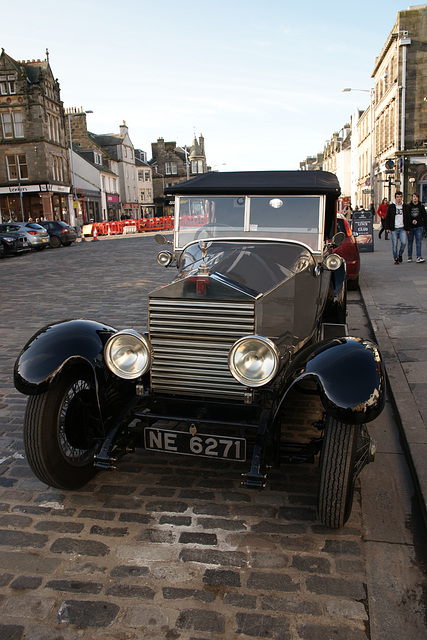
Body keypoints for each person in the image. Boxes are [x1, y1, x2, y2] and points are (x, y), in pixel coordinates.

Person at [385, 191, 409, 265]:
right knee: (394, 244)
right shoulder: (391, 206)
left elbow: (407, 218)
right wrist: (387, 228)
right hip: (394, 228)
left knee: (404, 242)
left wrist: (408, 229)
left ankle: (400, 254)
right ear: (395, 198)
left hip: (402, 228)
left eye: (400, 197)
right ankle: (395, 258)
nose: (399, 198)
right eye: (397, 197)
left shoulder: (405, 206)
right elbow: (388, 217)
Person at [405, 193, 427, 263]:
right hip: (411, 227)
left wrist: (424, 226)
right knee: (410, 242)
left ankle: (419, 256)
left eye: (416, 197)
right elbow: (407, 216)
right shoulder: (409, 206)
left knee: (418, 241)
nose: (415, 198)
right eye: (414, 197)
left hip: (419, 227)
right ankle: (409, 256)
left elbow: (424, 216)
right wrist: (409, 224)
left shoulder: (421, 206)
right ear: (412, 198)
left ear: (418, 198)